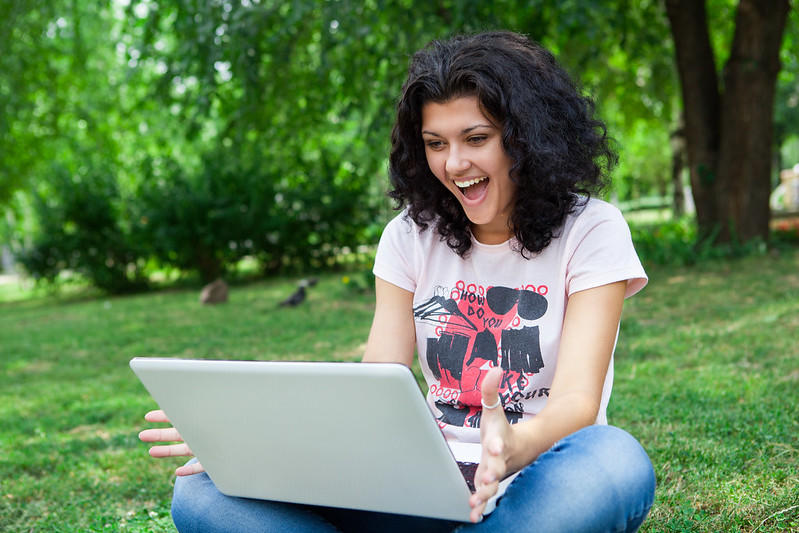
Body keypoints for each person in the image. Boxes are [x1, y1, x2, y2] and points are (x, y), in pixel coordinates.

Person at [139, 30, 656, 532]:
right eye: (436, 143)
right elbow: (375, 391)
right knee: (203, 495)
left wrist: (510, 448)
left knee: (615, 461)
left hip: (533, 478)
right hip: (418, 488)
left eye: (476, 138)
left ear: (529, 138)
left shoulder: (592, 228)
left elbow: (576, 404)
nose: (455, 164)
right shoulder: (410, 235)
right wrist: (247, 441)